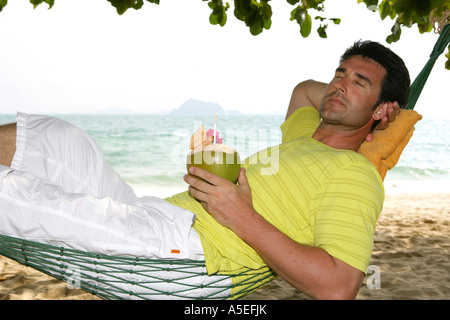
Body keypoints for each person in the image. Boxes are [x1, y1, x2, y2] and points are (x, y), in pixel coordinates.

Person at [0, 40, 409, 300]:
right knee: (56, 137)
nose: (338, 85)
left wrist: (240, 215)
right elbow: (304, 88)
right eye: (340, 73)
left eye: (360, 82)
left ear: (381, 108)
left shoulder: (355, 174)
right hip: (152, 214)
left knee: (18, 197)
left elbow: (338, 287)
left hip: (185, 255)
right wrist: (354, 97)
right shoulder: (304, 134)